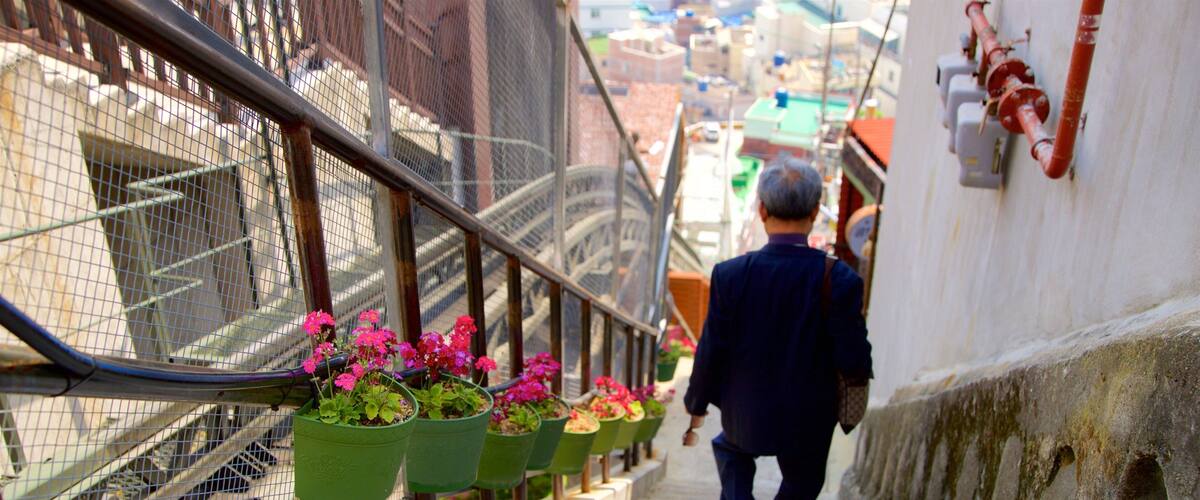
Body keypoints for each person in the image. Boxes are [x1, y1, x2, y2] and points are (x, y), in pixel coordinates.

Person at [682, 155, 873, 499]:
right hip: (809, 420)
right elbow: (853, 357)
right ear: (815, 212)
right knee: (802, 482)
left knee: (731, 450)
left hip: (745, 412)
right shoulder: (841, 279)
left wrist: (696, 402)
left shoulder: (730, 274)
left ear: (762, 210)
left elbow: (711, 348)